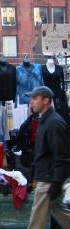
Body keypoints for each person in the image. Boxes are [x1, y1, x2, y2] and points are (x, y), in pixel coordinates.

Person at [27, 86, 70, 229]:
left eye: (35, 98)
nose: (32, 102)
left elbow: (62, 156)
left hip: (49, 179)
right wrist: (33, 174)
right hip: (47, 177)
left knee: (37, 222)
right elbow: (42, 152)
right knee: (61, 213)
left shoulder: (54, 123)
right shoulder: (45, 121)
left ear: (46, 100)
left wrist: (57, 182)